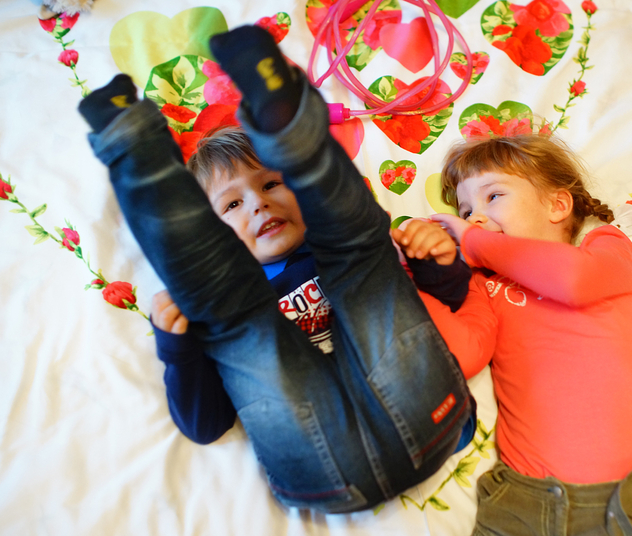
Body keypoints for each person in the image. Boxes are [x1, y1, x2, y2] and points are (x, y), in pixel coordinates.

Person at [77, 25, 474, 514]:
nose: (259, 205)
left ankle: (276, 126)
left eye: (270, 184)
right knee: (245, 309)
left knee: (357, 254)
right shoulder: (227, 301)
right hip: (332, 451)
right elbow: (205, 425)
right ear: (212, 234)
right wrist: (180, 350)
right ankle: (137, 145)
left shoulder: (327, 252)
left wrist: (436, 263)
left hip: (411, 412)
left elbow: (448, 303)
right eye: (232, 205)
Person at [393, 134, 632, 535]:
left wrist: (474, 243)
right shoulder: (484, 284)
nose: (474, 219)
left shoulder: (606, 248)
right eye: (466, 211)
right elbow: (461, 354)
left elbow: (573, 280)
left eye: (493, 196)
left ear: (557, 205)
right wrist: (411, 270)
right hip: (530, 504)